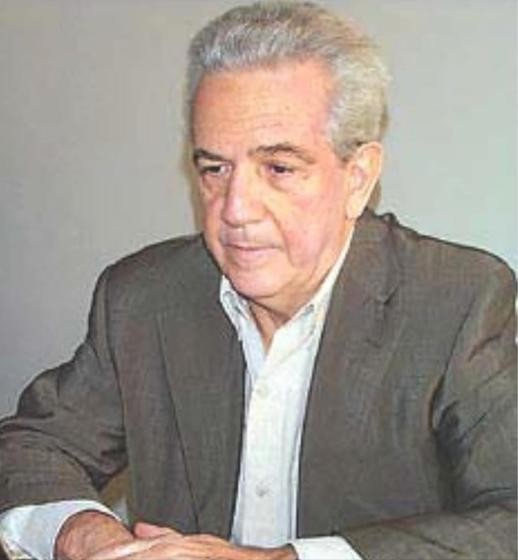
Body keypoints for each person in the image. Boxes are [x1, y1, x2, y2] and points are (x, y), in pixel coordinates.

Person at [0, 2, 516, 559]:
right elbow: (30, 447)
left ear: (358, 178)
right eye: (215, 169)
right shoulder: (144, 299)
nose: (236, 209)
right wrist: (89, 538)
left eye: (279, 168)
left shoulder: (457, 300)